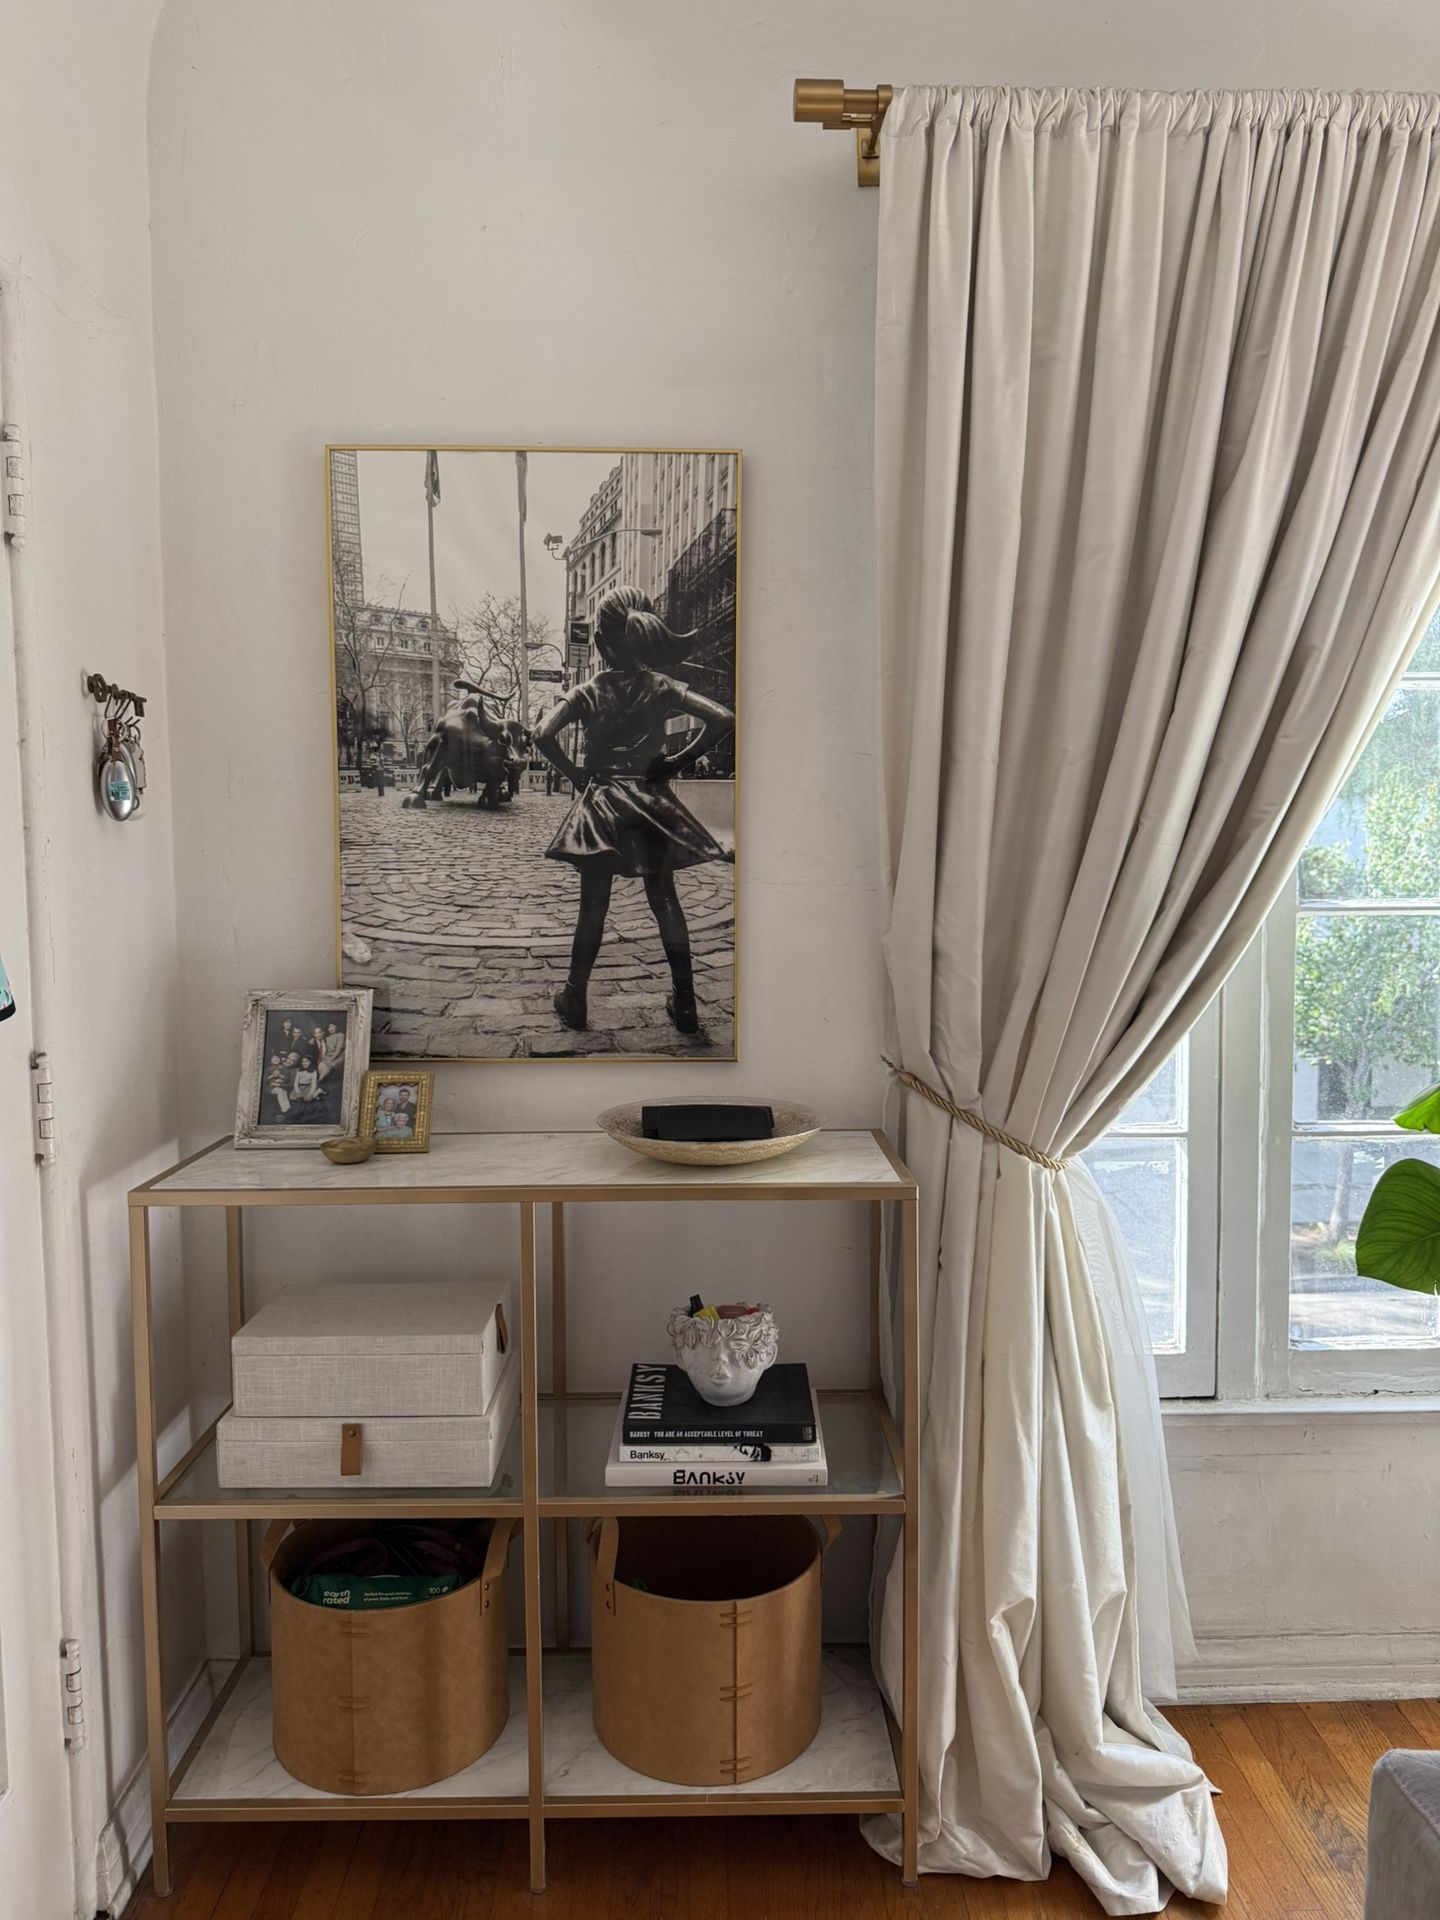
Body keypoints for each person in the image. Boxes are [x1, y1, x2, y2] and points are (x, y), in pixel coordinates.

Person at [532, 586, 734, 1035]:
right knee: (665, 901)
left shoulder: (587, 690)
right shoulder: (662, 686)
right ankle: (685, 1005)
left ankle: (576, 998)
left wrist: (576, 776)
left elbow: (542, 734)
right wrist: (676, 762)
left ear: (602, 644)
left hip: (602, 803)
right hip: (650, 802)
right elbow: (722, 717)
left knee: (593, 907)